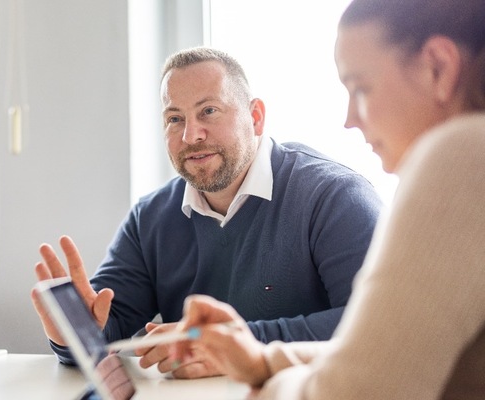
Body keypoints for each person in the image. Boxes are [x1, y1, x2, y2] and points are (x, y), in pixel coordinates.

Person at [170, 0, 485, 398]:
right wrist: (264, 361)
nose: (350, 118)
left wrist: (266, 385)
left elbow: (363, 391)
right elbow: (381, 354)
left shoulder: (464, 154)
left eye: (362, 88)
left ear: (437, 67)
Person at [31, 47, 383, 378]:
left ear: (255, 117)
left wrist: (233, 347)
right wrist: (74, 333)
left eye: (208, 111)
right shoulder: (150, 217)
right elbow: (107, 330)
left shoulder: (335, 196)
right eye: (174, 118)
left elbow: (378, 327)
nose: (190, 135)